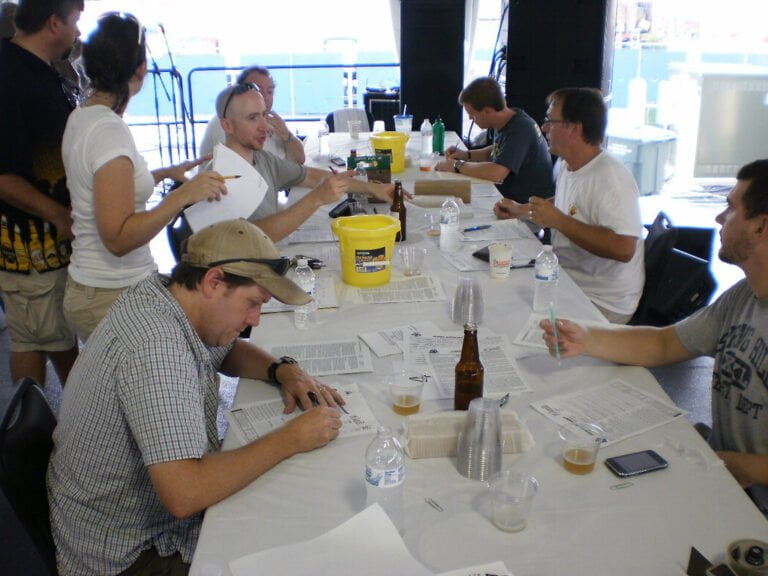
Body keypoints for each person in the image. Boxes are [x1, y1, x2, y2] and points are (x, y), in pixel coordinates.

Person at [48, 218, 344, 575]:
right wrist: (291, 438)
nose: (256, 320)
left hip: (127, 518)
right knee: (300, 546)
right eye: (252, 303)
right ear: (213, 281)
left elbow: (225, 349)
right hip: (130, 553)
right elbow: (185, 494)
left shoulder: (168, 296)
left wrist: (281, 370)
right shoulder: (157, 348)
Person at [540, 159, 768, 499]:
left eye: (731, 208)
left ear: (761, 226)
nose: (720, 218)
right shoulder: (744, 295)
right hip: (723, 472)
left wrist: (748, 467)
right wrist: (587, 338)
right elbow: (665, 343)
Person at [62, 13, 227, 342]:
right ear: (140, 69)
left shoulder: (82, 116)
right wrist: (182, 195)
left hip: (95, 286)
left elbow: (106, 188)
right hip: (111, 293)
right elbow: (119, 239)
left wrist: (164, 174)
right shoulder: (108, 131)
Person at [0, 0, 83, 385]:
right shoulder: (9, 76)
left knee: (46, 336)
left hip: (52, 244)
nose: (78, 32)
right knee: (37, 338)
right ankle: (64, 416)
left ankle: (72, 412)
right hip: (29, 246)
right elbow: (3, 177)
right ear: (53, 23)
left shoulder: (43, 71)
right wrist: (57, 214)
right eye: (75, 22)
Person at [509, 87, 644, 324]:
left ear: (575, 128)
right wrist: (522, 210)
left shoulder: (611, 179)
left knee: (512, 319)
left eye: (551, 121)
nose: (544, 128)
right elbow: (567, 203)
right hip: (567, 278)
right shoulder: (566, 164)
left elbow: (624, 248)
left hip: (602, 302)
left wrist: (558, 220)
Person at [213, 82, 395, 241]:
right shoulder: (217, 178)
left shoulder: (263, 159)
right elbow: (248, 238)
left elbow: (311, 175)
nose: (264, 126)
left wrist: (374, 189)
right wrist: (317, 198)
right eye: (253, 118)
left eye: (264, 115)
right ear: (227, 125)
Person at [435, 76, 553, 206]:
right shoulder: (508, 119)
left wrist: (456, 166)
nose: (470, 118)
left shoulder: (520, 129)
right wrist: (467, 155)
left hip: (526, 206)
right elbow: (499, 149)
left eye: (472, 115)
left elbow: (496, 173)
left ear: (488, 111)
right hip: (511, 198)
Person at [199, 65, 305, 164]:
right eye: (257, 90)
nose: (265, 97)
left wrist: (287, 136)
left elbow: (299, 160)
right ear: (239, 91)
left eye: (269, 92)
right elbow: (251, 167)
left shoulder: (274, 124)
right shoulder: (225, 123)